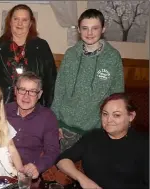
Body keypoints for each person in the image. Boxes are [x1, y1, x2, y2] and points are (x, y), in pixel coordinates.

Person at [51, 9, 124, 152]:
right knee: (58, 167)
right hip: (65, 127)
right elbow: (59, 90)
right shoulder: (70, 55)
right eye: (85, 28)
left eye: (95, 28)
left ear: (103, 29)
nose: (89, 33)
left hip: (95, 130)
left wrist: (112, 126)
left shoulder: (113, 57)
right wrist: (54, 123)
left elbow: (117, 97)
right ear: (79, 29)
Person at [56, 93, 148, 188]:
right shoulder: (93, 136)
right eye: (105, 114)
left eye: (116, 115)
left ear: (131, 116)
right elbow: (62, 159)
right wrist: (83, 179)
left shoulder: (144, 144)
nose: (109, 120)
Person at [0, 4, 57, 107]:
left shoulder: (42, 47)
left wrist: (46, 108)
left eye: (24, 20)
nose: (19, 23)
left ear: (30, 23)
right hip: (3, 106)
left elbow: (51, 81)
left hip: (33, 108)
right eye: (16, 19)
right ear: (10, 22)